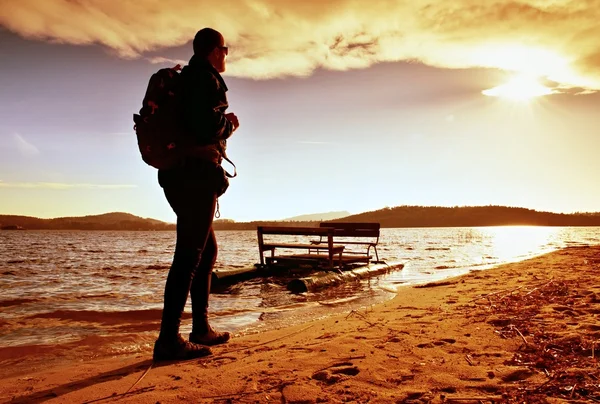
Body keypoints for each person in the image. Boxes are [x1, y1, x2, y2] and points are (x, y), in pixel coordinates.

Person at [153, 28, 239, 361]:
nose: (226, 55)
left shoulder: (185, 79)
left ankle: (200, 327)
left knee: (205, 251)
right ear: (213, 51)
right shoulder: (206, 79)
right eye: (224, 49)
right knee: (190, 255)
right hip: (195, 175)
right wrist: (229, 124)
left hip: (176, 174)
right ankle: (168, 340)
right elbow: (206, 126)